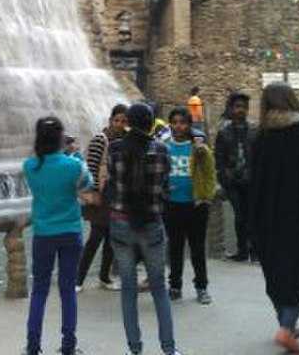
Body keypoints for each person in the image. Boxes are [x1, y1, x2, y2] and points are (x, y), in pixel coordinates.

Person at [249, 82, 299, 353]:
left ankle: (286, 322)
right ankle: (286, 326)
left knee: (275, 274)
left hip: (266, 216)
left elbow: (253, 178)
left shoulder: (260, 134)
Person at [107, 103, 183, 355]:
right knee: (159, 287)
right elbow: (164, 185)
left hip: (121, 223)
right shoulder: (162, 149)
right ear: (151, 124)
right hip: (151, 223)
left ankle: (134, 349)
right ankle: (169, 349)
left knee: (128, 289)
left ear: (128, 122)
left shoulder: (114, 148)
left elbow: (112, 182)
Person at [23, 116, 94, 355]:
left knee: (39, 290)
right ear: (61, 138)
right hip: (70, 232)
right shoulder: (73, 165)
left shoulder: (29, 166)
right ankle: (68, 345)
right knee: (67, 290)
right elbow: (87, 184)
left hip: (43, 234)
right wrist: (76, 156)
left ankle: (33, 346)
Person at [163, 107, 217, 305]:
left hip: (196, 205)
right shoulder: (164, 147)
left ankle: (201, 287)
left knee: (197, 249)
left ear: (189, 125)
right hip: (172, 204)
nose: (178, 126)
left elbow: (210, 172)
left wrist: (207, 196)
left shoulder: (198, 148)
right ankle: (175, 286)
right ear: (170, 124)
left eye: (183, 122)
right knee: (175, 248)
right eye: (175, 122)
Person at [77, 105, 127, 292]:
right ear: (110, 120)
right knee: (95, 238)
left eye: (124, 121)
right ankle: (78, 279)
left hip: (117, 196)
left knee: (111, 238)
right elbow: (91, 167)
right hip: (101, 196)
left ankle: (104, 277)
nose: (120, 124)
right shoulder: (101, 139)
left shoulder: (124, 141)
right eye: (117, 120)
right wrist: (94, 193)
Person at [215, 91, 256, 262]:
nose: (241, 110)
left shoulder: (254, 131)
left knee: (251, 214)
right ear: (231, 109)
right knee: (240, 214)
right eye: (238, 107)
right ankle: (243, 250)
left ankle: (254, 250)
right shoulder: (224, 133)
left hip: (251, 179)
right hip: (232, 181)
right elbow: (219, 159)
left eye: (244, 107)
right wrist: (225, 177)